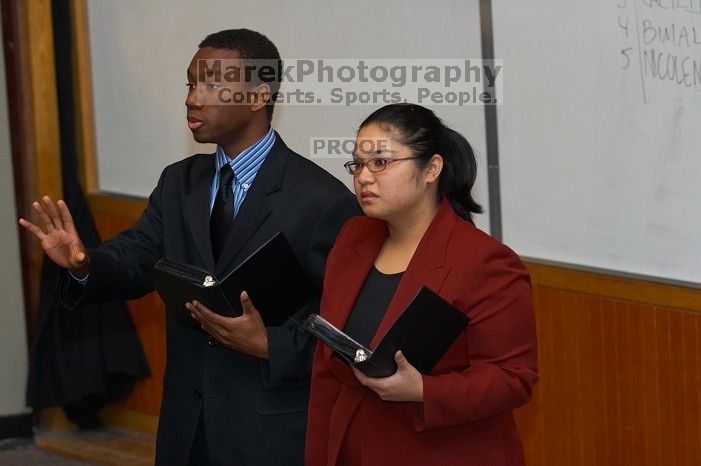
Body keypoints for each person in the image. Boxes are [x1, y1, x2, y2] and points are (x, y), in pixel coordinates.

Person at [19, 29, 360, 466]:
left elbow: (348, 330)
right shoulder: (179, 183)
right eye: (190, 83)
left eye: (213, 85)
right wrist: (84, 264)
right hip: (187, 430)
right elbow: (137, 257)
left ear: (258, 97)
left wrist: (272, 345)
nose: (193, 99)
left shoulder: (321, 201)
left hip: (271, 434)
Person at [305, 103, 539, 466]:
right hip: (351, 447)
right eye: (358, 165)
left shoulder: (485, 261)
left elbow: (513, 378)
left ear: (431, 168)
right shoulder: (353, 237)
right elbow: (327, 370)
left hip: (440, 452)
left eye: (381, 162)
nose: (364, 177)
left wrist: (424, 390)